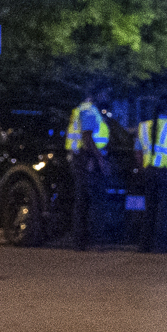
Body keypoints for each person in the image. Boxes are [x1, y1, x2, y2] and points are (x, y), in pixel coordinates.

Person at [64, 89, 113, 249]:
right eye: (105, 93)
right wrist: (99, 159)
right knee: (92, 200)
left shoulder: (82, 109)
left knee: (82, 201)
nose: (107, 96)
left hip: (81, 158)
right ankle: (91, 240)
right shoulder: (89, 111)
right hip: (86, 159)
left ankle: (80, 240)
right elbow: (87, 138)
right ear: (97, 94)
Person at [135, 105, 167, 252]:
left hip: (149, 172)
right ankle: (160, 244)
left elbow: (138, 151)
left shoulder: (143, 126)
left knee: (149, 208)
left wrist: (142, 169)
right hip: (165, 172)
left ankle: (144, 244)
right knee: (164, 210)